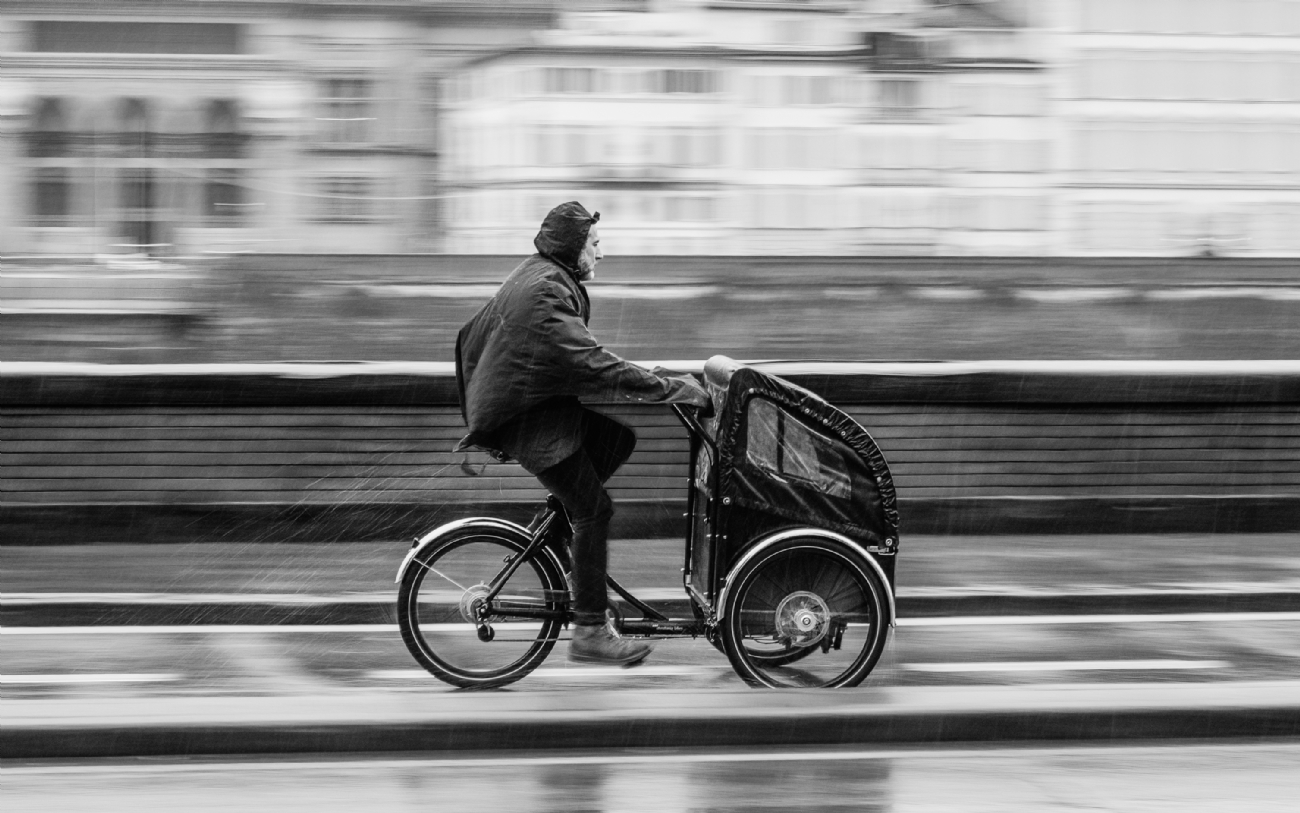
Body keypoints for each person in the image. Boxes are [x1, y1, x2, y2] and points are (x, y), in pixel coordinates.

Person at [454, 201, 710, 666]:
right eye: (595, 245)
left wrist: (650, 378)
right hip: (528, 418)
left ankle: (559, 537)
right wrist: (670, 388)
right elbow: (590, 362)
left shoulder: (542, 275)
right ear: (573, 248)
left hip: (531, 407)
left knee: (618, 440)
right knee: (595, 509)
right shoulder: (547, 295)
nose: (601, 255)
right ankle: (590, 630)